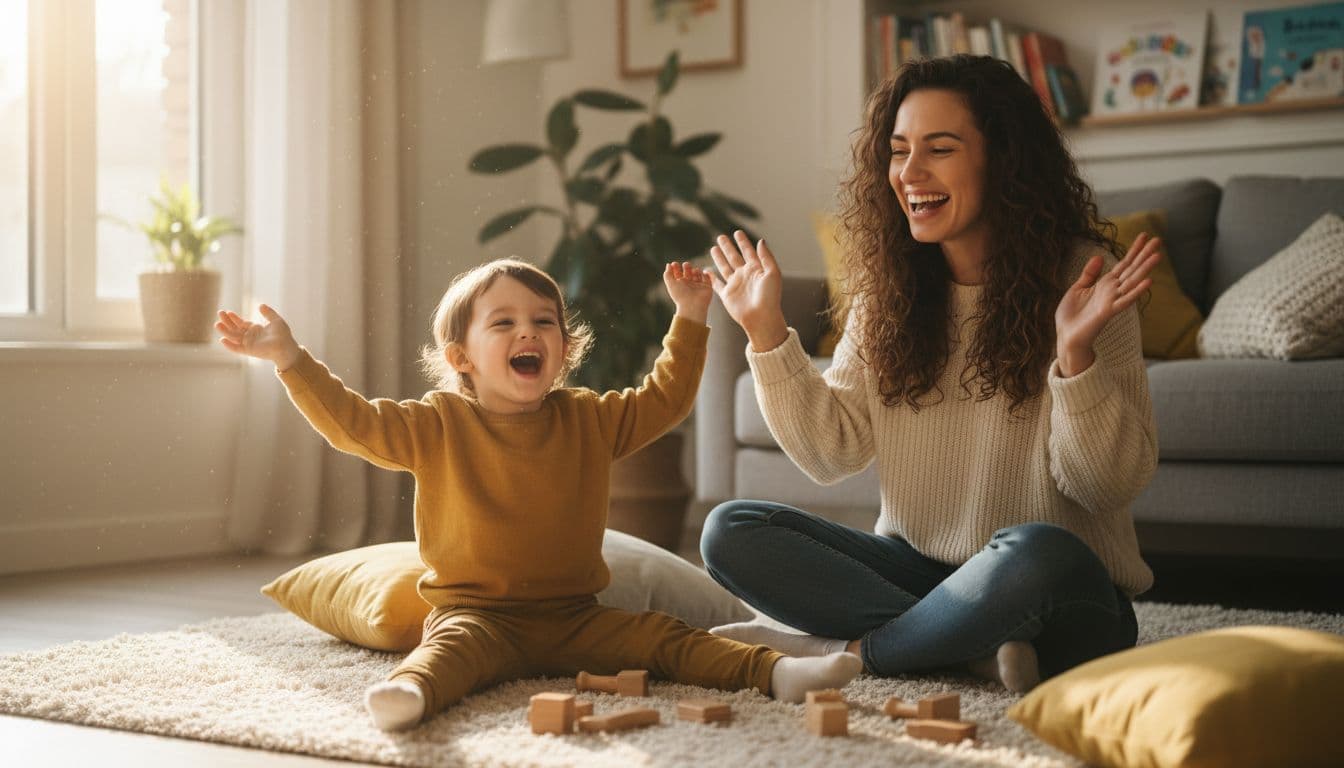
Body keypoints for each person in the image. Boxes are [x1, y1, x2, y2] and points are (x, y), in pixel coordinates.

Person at [215, 258, 861, 731]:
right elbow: (351, 422)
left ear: (563, 348)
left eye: (543, 322)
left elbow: (663, 401)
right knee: (445, 660)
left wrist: (690, 319)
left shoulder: (586, 418)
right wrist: (291, 361)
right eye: (504, 323)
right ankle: (406, 692)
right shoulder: (437, 424)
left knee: (664, 641)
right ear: (461, 357)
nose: (529, 333)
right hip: (475, 616)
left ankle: (775, 674)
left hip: (578, 615)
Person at [699, 55, 1162, 693]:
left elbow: (1105, 487)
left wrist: (1075, 359)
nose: (909, 173)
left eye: (939, 149)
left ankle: (859, 650)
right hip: (919, 570)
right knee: (731, 530)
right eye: (897, 151)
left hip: (1059, 590)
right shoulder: (889, 293)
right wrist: (766, 332)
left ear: (1002, 159)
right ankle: (965, 648)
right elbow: (832, 453)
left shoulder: (1084, 283)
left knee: (1038, 553)